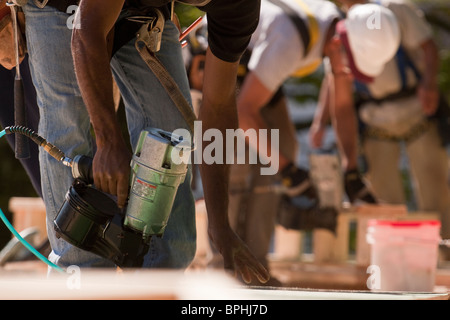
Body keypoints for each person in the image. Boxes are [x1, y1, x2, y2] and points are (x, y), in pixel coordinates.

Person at [22, 0, 270, 283]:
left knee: (173, 136)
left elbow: (219, 104)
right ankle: (81, 280)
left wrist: (220, 225)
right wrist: (108, 140)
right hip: (65, 6)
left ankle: (160, 280)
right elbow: (86, 30)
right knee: (69, 123)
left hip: (141, 8)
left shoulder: (240, 6)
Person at [312, 0, 450, 248]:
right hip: (374, 117)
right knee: (382, 197)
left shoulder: (395, 11)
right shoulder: (337, 33)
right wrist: (321, 122)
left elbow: (429, 47)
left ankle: (444, 254)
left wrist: (429, 84)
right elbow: (337, 89)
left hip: (417, 109)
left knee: (435, 190)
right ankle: (394, 255)